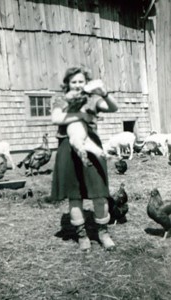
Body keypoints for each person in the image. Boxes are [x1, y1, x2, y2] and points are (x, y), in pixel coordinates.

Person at [51, 66, 118, 251]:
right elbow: (56, 118)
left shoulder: (92, 99)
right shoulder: (60, 100)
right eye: (74, 82)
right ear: (67, 84)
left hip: (92, 146)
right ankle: (82, 235)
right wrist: (81, 115)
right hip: (68, 148)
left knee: (100, 194)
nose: (78, 85)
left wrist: (104, 93)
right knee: (75, 196)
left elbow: (113, 108)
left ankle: (103, 233)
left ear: (86, 83)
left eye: (81, 81)